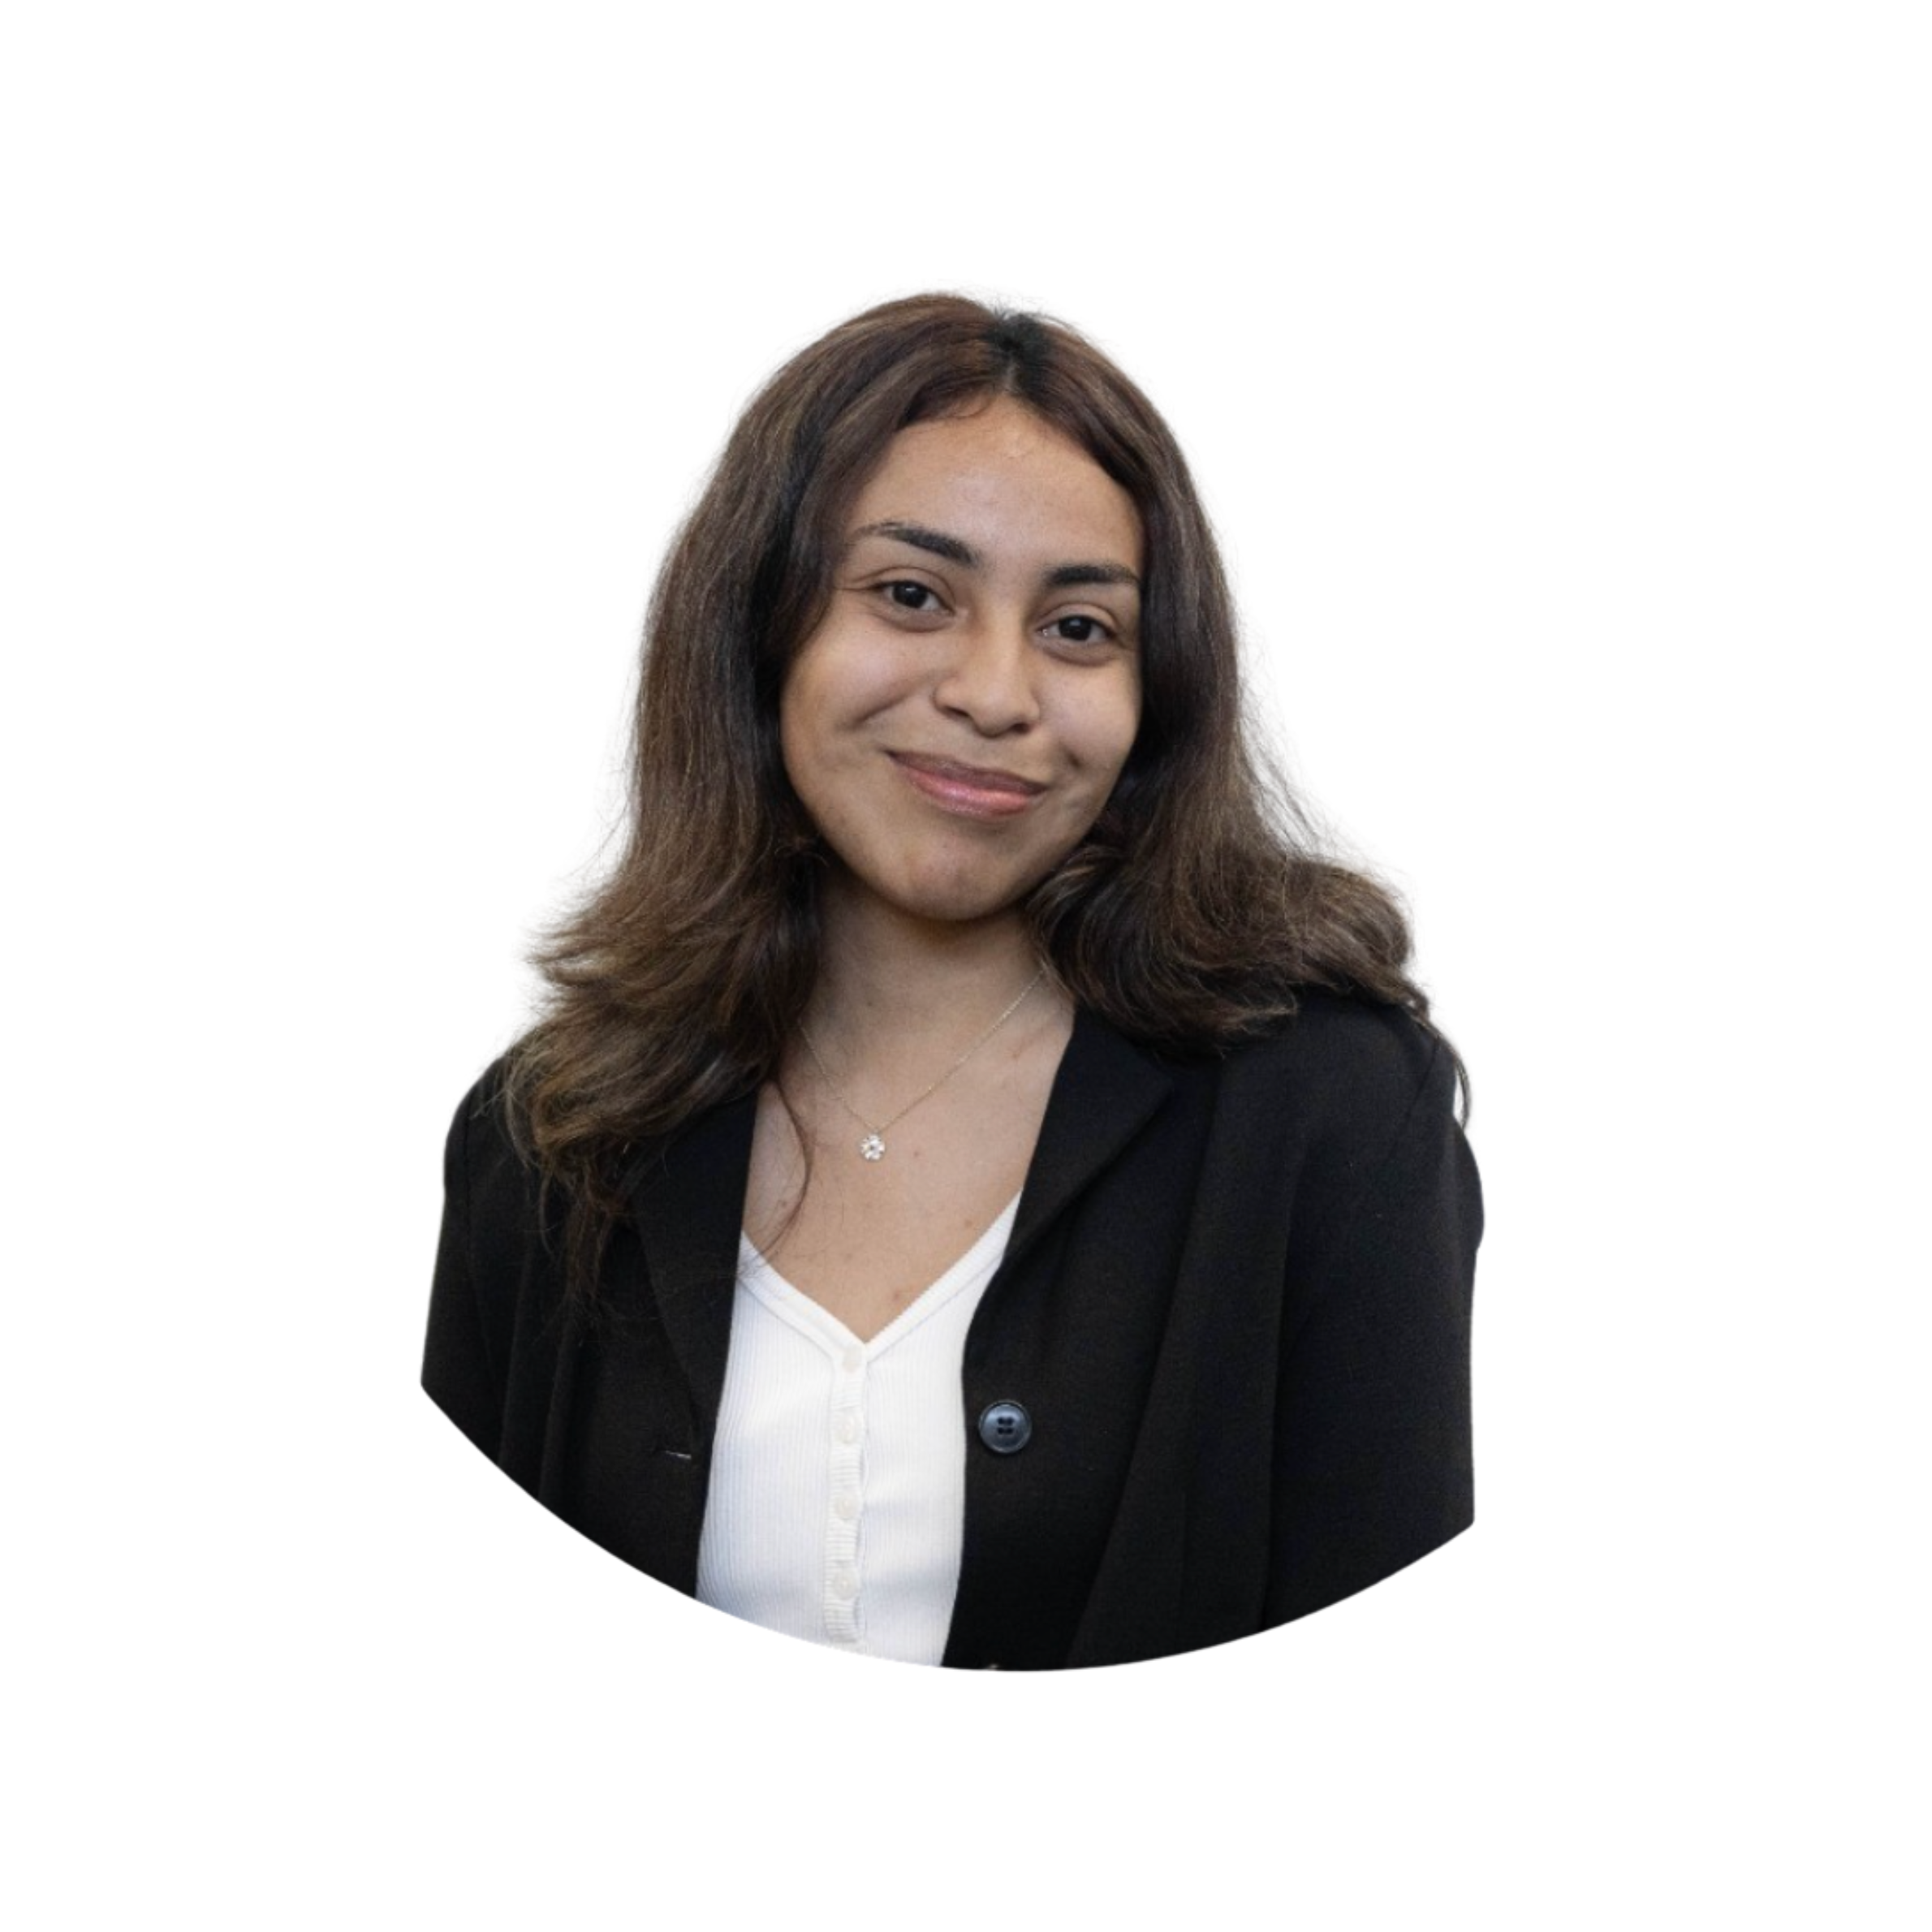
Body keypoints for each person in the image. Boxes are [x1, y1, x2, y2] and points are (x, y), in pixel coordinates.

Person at [422, 293, 1482, 1670]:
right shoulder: (549, 1135)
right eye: (913, 595)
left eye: (1080, 627)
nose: (996, 692)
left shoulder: (1331, 1115)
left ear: (1156, 692)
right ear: (760, 628)